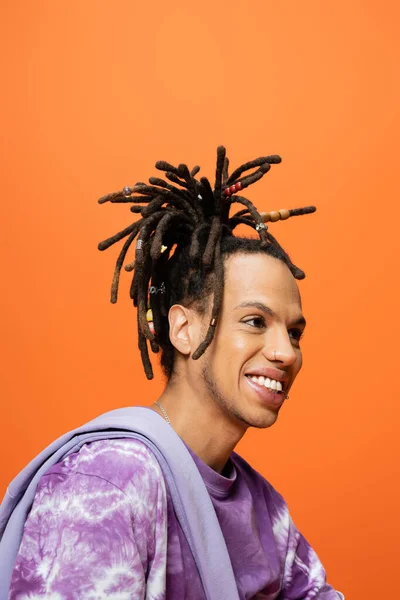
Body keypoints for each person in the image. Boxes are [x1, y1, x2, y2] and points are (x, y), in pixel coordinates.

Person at [5, 147, 344, 598]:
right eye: (254, 322)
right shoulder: (107, 481)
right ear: (184, 329)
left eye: (295, 333)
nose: (286, 352)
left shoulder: (265, 511)